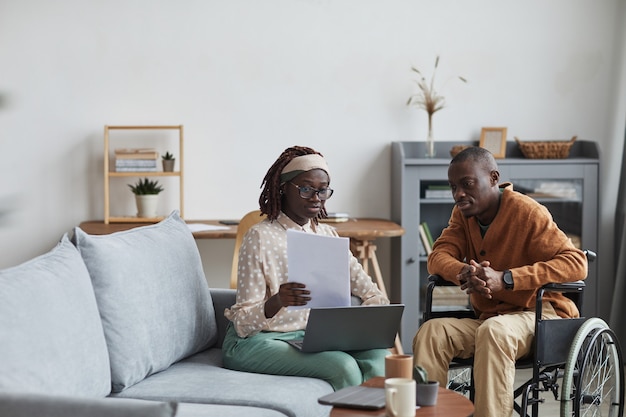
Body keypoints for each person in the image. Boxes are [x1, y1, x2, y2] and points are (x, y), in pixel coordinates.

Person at [412, 146, 588, 417]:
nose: (459, 194)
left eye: (467, 184)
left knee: (494, 331)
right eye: (453, 187)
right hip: (490, 319)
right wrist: (464, 272)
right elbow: (438, 256)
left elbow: (576, 262)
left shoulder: (528, 212)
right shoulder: (462, 214)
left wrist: (507, 279)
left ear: (493, 178)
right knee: (431, 333)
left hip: (541, 316)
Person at [223, 145, 389, 390]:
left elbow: (374, 294)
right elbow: (243, 324)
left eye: (323, 191)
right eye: (306, 189)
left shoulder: (329, 236)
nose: (315, 198)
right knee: (342, 366)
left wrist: (364, 323)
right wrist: (278, 300)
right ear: (283, 188)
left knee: (379, 357)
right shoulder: (259, 237)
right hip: (261, 341)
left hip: (312, 337)